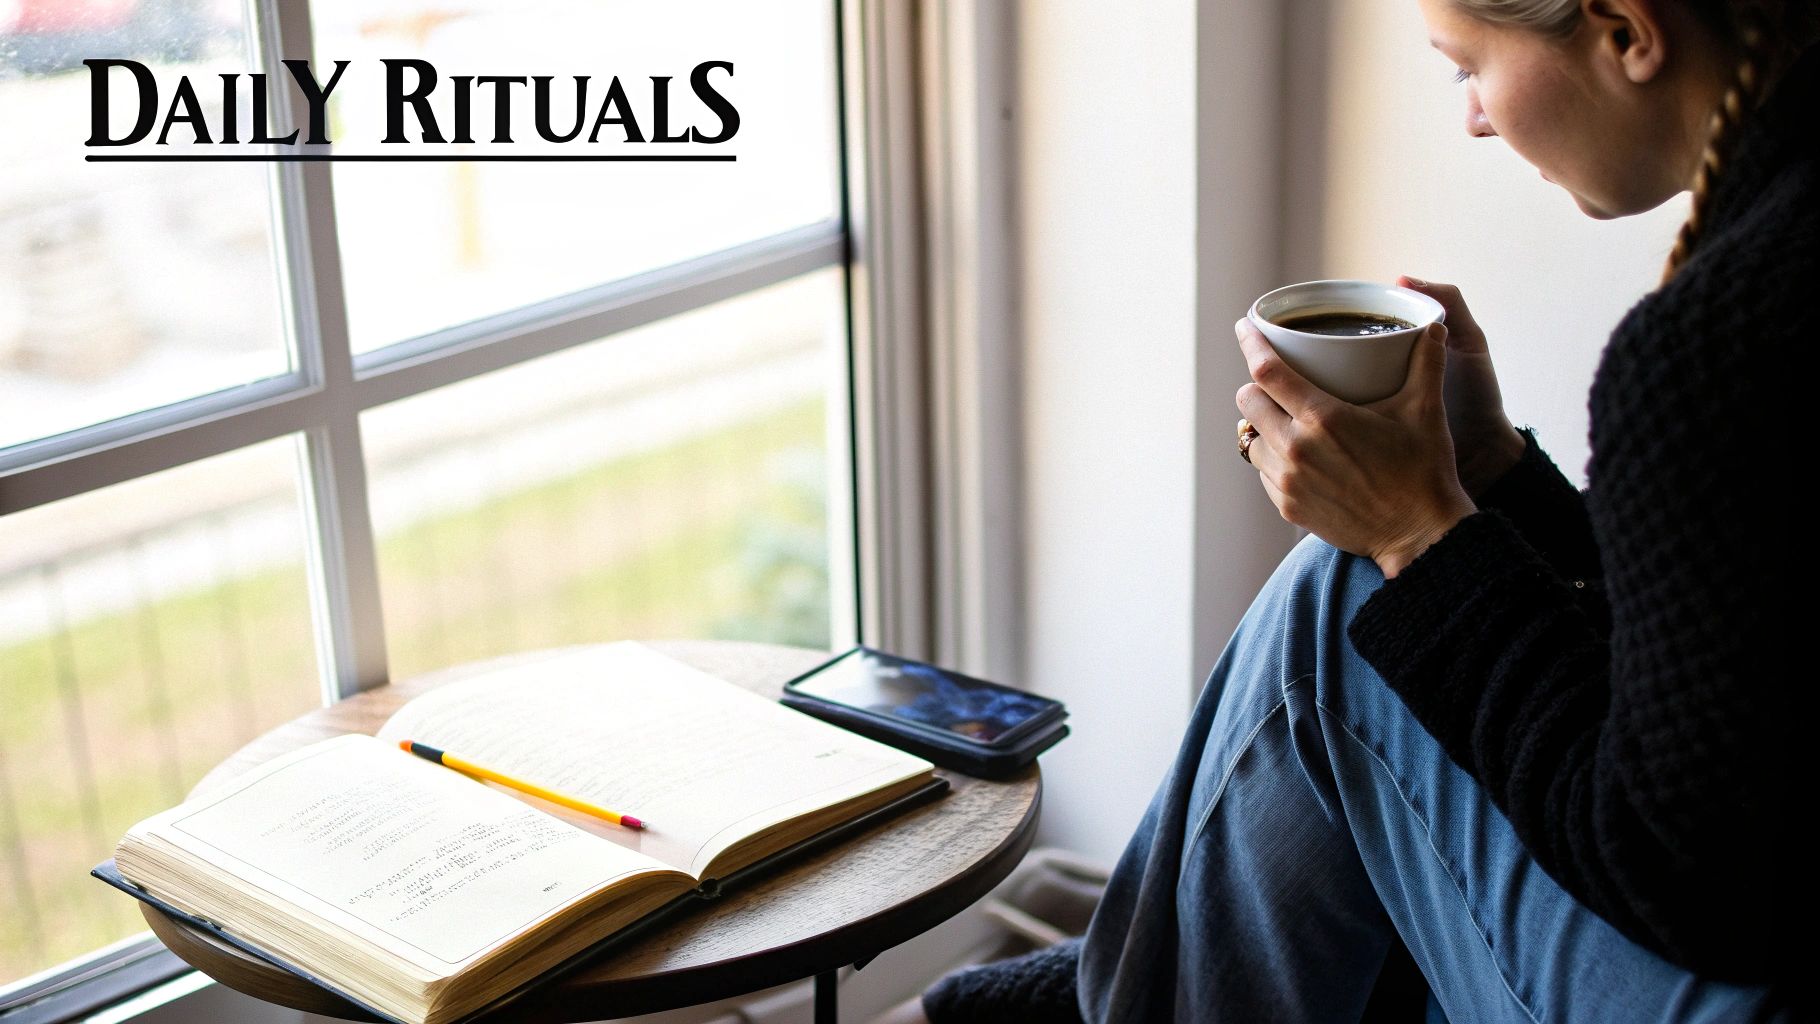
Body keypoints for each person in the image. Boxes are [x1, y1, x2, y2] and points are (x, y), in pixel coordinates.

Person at [875, 0, 1819, 1020]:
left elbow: (1682, 871)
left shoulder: (1715, 350)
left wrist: (1418, 535)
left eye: (1466, 66)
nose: (1472, 117)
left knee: (1344, 603)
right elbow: (1727, 683)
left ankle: (1126, 985)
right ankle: (1141, 971)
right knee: (1370, 592)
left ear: (1625, 32)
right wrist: (1493, 474)